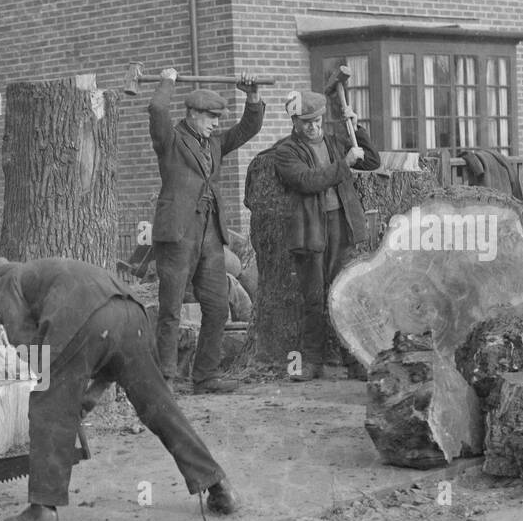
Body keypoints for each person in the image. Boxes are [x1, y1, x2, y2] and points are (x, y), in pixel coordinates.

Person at [0, 256, 240, 521]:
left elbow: (25, 340)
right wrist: (85, 397)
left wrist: (56, 392)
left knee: (46, 407)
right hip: (130, 313)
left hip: (82, 315)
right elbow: (108, 350)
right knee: (160, 407)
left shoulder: (4, 283)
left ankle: (42, 508)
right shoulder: (48, 273)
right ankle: (218, 485)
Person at [149, 68, 264, 394]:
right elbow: (157, 109)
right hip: (177, 234)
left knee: (216, 308)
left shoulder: (213, 144)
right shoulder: (169, 140)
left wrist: (252, 96)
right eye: (209, 116)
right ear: (191, 114)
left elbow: (247, 129)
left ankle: (204, 377)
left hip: (211, 235)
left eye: (217, 117)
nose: (215, 122)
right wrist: (168, 80)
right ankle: (166, 380)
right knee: (171, 309)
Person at [272, 87, 381, 381]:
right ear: (294, 123)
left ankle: (353, 360)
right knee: (314, 299)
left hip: (341, 228)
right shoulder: (286, 152)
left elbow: (372, 161)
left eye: (317, 120)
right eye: (306, 122)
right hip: (311, 231)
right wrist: (345, 164)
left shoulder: (334, 142)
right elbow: (308, 181)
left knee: (344, 295)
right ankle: (311, 363)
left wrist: (356, 128)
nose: (313, 127)